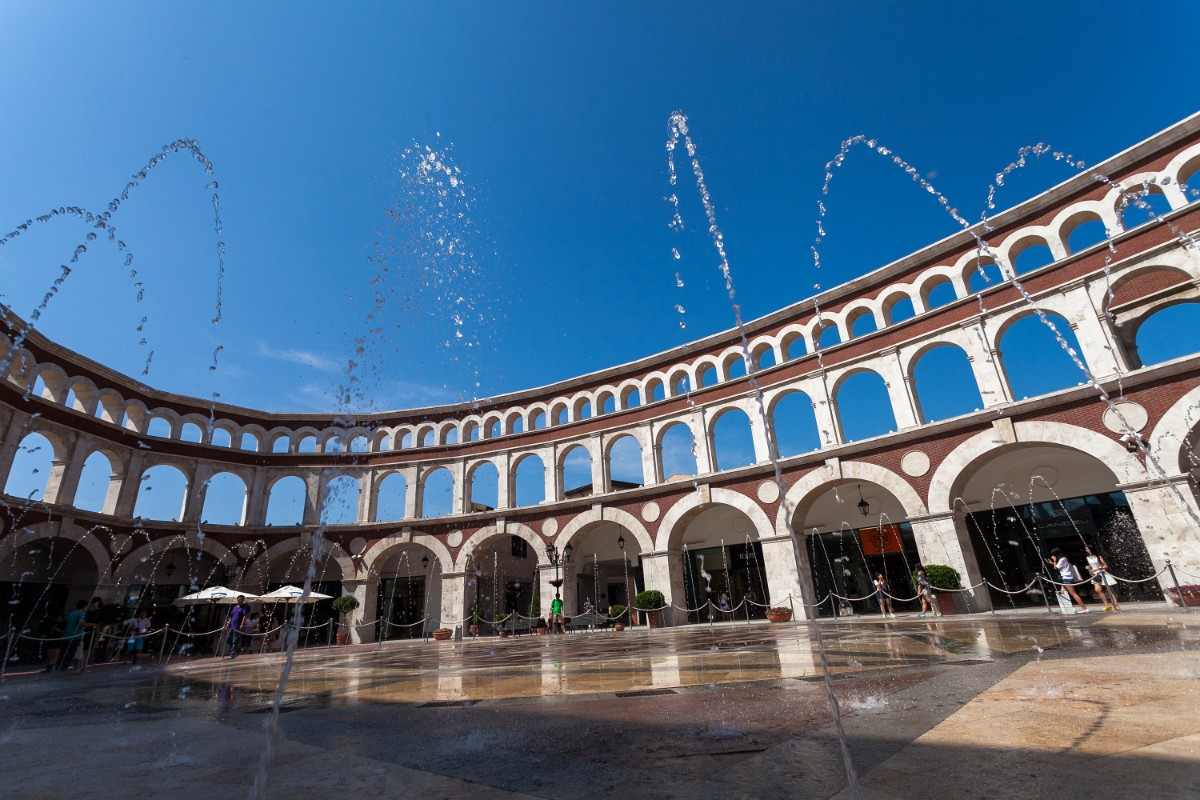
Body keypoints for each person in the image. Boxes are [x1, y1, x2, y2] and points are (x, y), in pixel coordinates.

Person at [1048, 548, 1089, 613]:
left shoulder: (1062, 559)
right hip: (1066, 577)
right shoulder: (1064, 559)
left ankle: (1084, 608)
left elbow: (1056, 568)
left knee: (1073, 593)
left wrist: (1054, 561)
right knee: (1062, 593)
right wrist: (1052, 563)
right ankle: (1069, 608)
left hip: (1067, 577)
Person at [1084, 545, 1121, 612]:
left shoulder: (1098, 557)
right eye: (1086, 549)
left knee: (1110, 590)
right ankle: (1107, 605)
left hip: (1102, 573)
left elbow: (1105, 565)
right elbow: (1091, 566)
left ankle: (1116, 604)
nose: (1087, 550)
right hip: (1095, 575)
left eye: (1088, 549)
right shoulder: (1087, 558)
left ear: (1091, 549)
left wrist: (1097, 569)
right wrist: (1088, 568)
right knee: (1098, 590)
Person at [56, 599, 89, 671]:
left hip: (67, 635)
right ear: (84, 606)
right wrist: (92, 624)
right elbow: (81, 624)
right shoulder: (81, 614)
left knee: (64, 652)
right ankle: (63, 668)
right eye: (87, 606)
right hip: (76, 636)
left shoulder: (71, 613)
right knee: (71, 653)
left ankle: (58, 666)